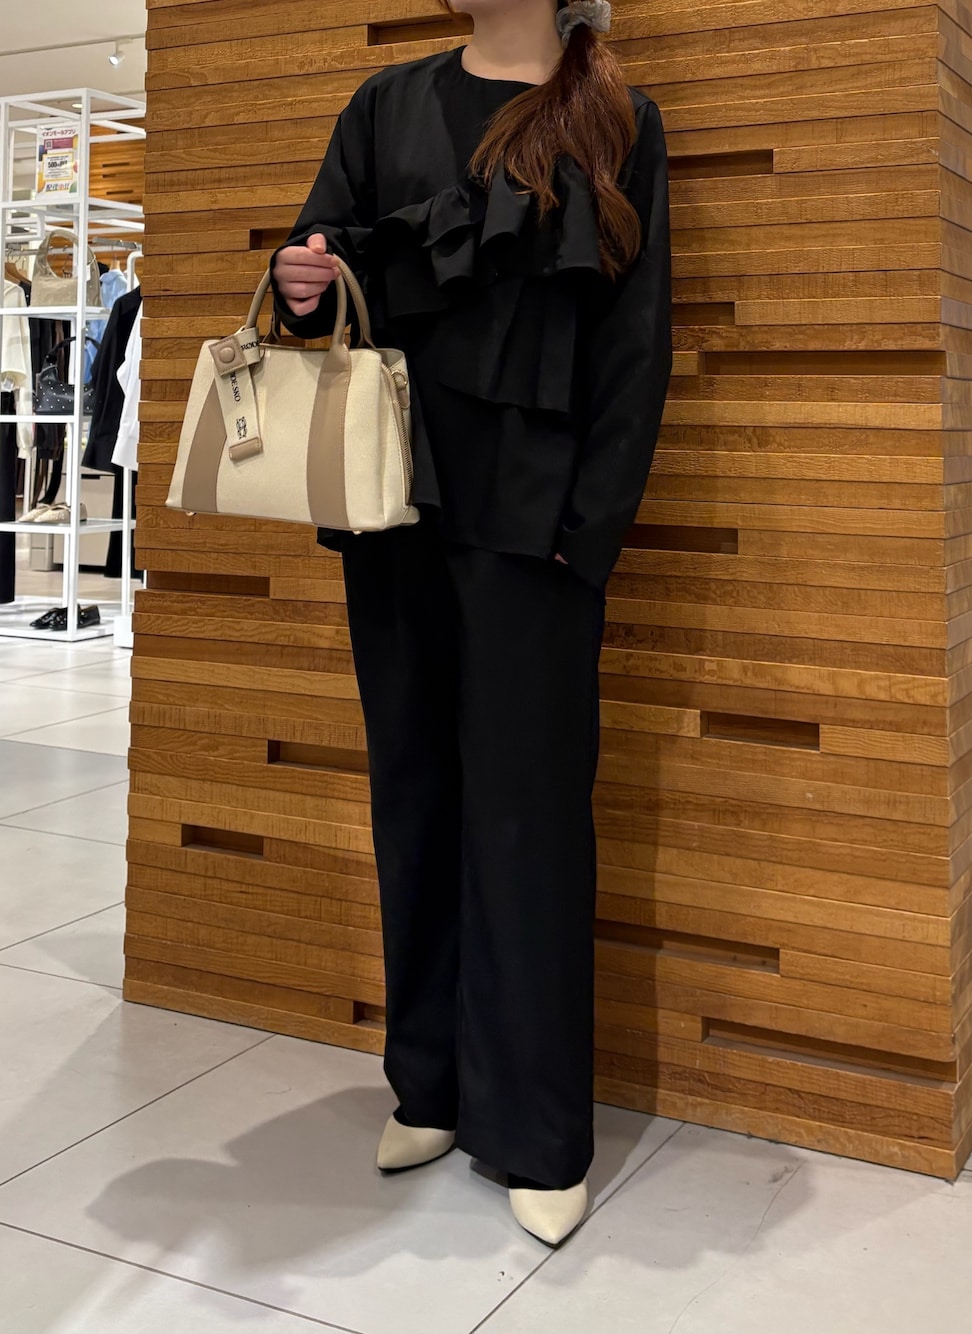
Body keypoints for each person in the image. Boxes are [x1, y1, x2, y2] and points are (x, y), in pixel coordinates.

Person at [271, 0, 672, 1247]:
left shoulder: (617, 116)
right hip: (395, 503)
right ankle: (429, 1083)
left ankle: (538, 1127)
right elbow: (320, 272)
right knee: (413, 789)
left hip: (536, 527)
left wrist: (587, 530)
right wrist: (296, 284)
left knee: (528, 815)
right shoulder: (384, 105)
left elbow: (636, 340)